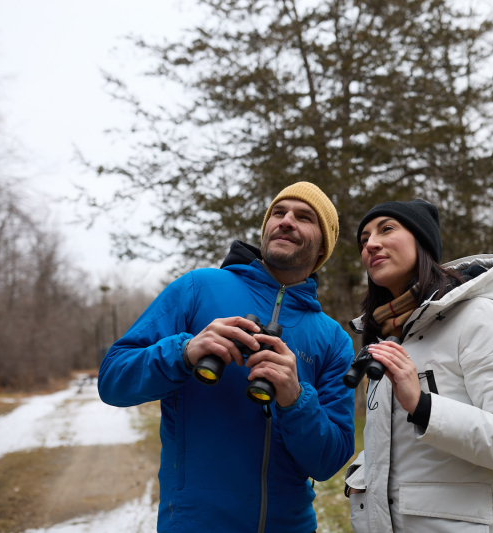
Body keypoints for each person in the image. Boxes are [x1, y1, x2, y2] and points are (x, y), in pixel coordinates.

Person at [98, 182, 356, 533]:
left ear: (322, 245)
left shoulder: (333, 339)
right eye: (278, 213)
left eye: (304, 217)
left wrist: (296, 399)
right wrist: (185, 352)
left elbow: (329, 461)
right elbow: (113, 380)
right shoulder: (197, 288)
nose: (286, 221)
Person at [345, 199, 493, 533]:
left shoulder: (480, 317)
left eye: (387, 229)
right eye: (364, 238)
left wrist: (423, 407)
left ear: (422, 242)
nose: (371, 244)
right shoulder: (385, 336)